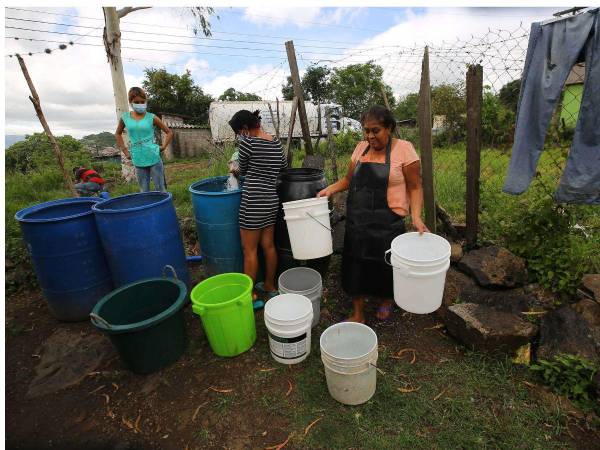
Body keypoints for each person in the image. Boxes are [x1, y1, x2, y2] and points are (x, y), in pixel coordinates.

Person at [318, 105, 428, 323]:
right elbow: (348, 180)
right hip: (358, 221)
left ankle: (385, 299)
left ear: (389, 128)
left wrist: (416, 217)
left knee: (385, 263)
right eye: (366, 130)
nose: (370, 136)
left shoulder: (404, 149)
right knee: (354, 263)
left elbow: (415, 187)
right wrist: (329, 189)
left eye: (375, 130)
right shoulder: (360, 149)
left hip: (389, 222)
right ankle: (358, 313)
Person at [228, 110, 287, 308]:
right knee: (268, 245)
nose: (239, 136)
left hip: (252, 201)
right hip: (271, 200)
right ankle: (270, 285)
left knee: (249, 250)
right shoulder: (276, 142)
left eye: (238, 132)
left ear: (244, 129)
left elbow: (243, 170)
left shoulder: (247, 142)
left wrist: (234, 170)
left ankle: (251, 294)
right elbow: (283, 166)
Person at [115, 87, 173, 192]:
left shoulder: (152, 117)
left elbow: (169, 132)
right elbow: (118, 134)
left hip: (153, 156)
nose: (140, 104)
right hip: (137, 158)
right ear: (130, 102)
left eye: (143, 101)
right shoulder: (125, 118)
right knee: (144, 190)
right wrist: (125, 151)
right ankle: (148, 208)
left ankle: (163, 207)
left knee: (160, 189)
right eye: (136, 102)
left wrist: (164, 146)